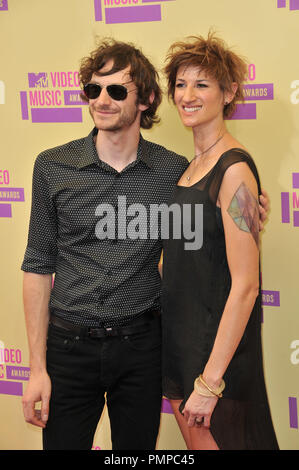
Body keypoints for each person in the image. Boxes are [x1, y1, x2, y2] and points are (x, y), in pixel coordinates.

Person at [21, 38, 269, 451]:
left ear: (147, 100)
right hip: (68, 347)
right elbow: (36, 265)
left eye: (117, 90)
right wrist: (35, 369)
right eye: (94, 89)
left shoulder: (172, 171)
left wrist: (252, 206)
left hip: (142, 350)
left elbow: (218, 212)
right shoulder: (51, 165)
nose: (102, 100)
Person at [161, 32, 279, 450]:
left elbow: (246, 285)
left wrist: (210, 383)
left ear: (229, 92)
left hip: (216, 362)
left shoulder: (234, 171)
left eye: (202, 84)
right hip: (183, 347)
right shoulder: (191, 168)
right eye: (180, 84)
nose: (187, 96)